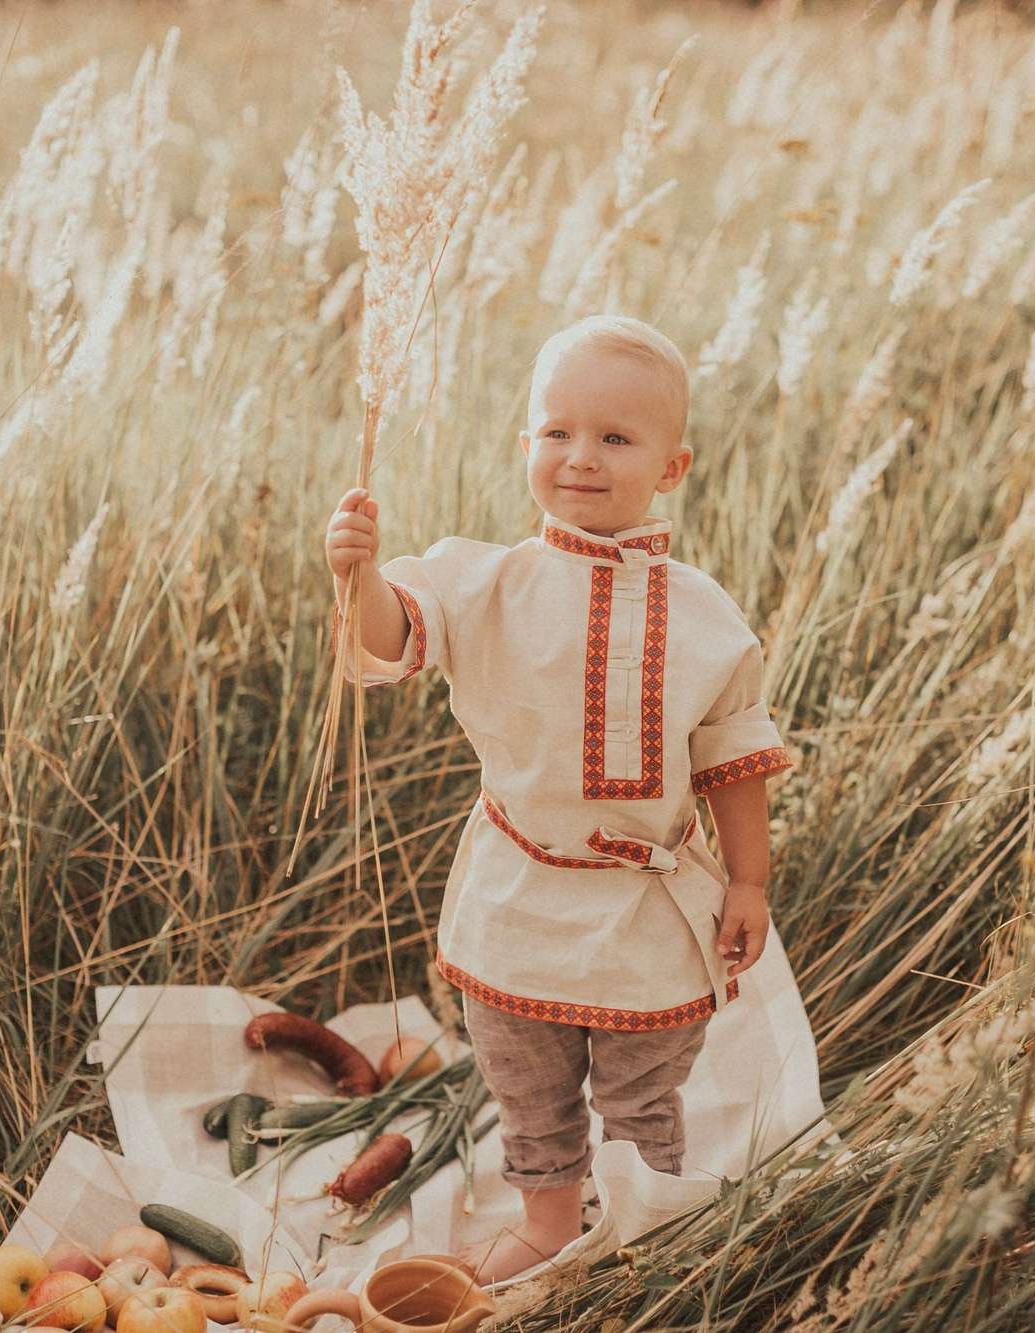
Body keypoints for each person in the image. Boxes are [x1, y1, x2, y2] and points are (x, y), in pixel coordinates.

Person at [321, 313, 796, 1284]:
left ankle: (639, 1226)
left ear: (670, 467)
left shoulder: (703, 615)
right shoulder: (485, 580)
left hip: (647, 907)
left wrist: (748, 882)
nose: (580, 456)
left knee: (641, 1091)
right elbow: (391, 635)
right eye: (557, 431)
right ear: (525, 444)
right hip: (520, 892)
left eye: (615, 437)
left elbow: (733, 757)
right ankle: (546, 1217)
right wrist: (357, 573)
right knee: (526, 1073)